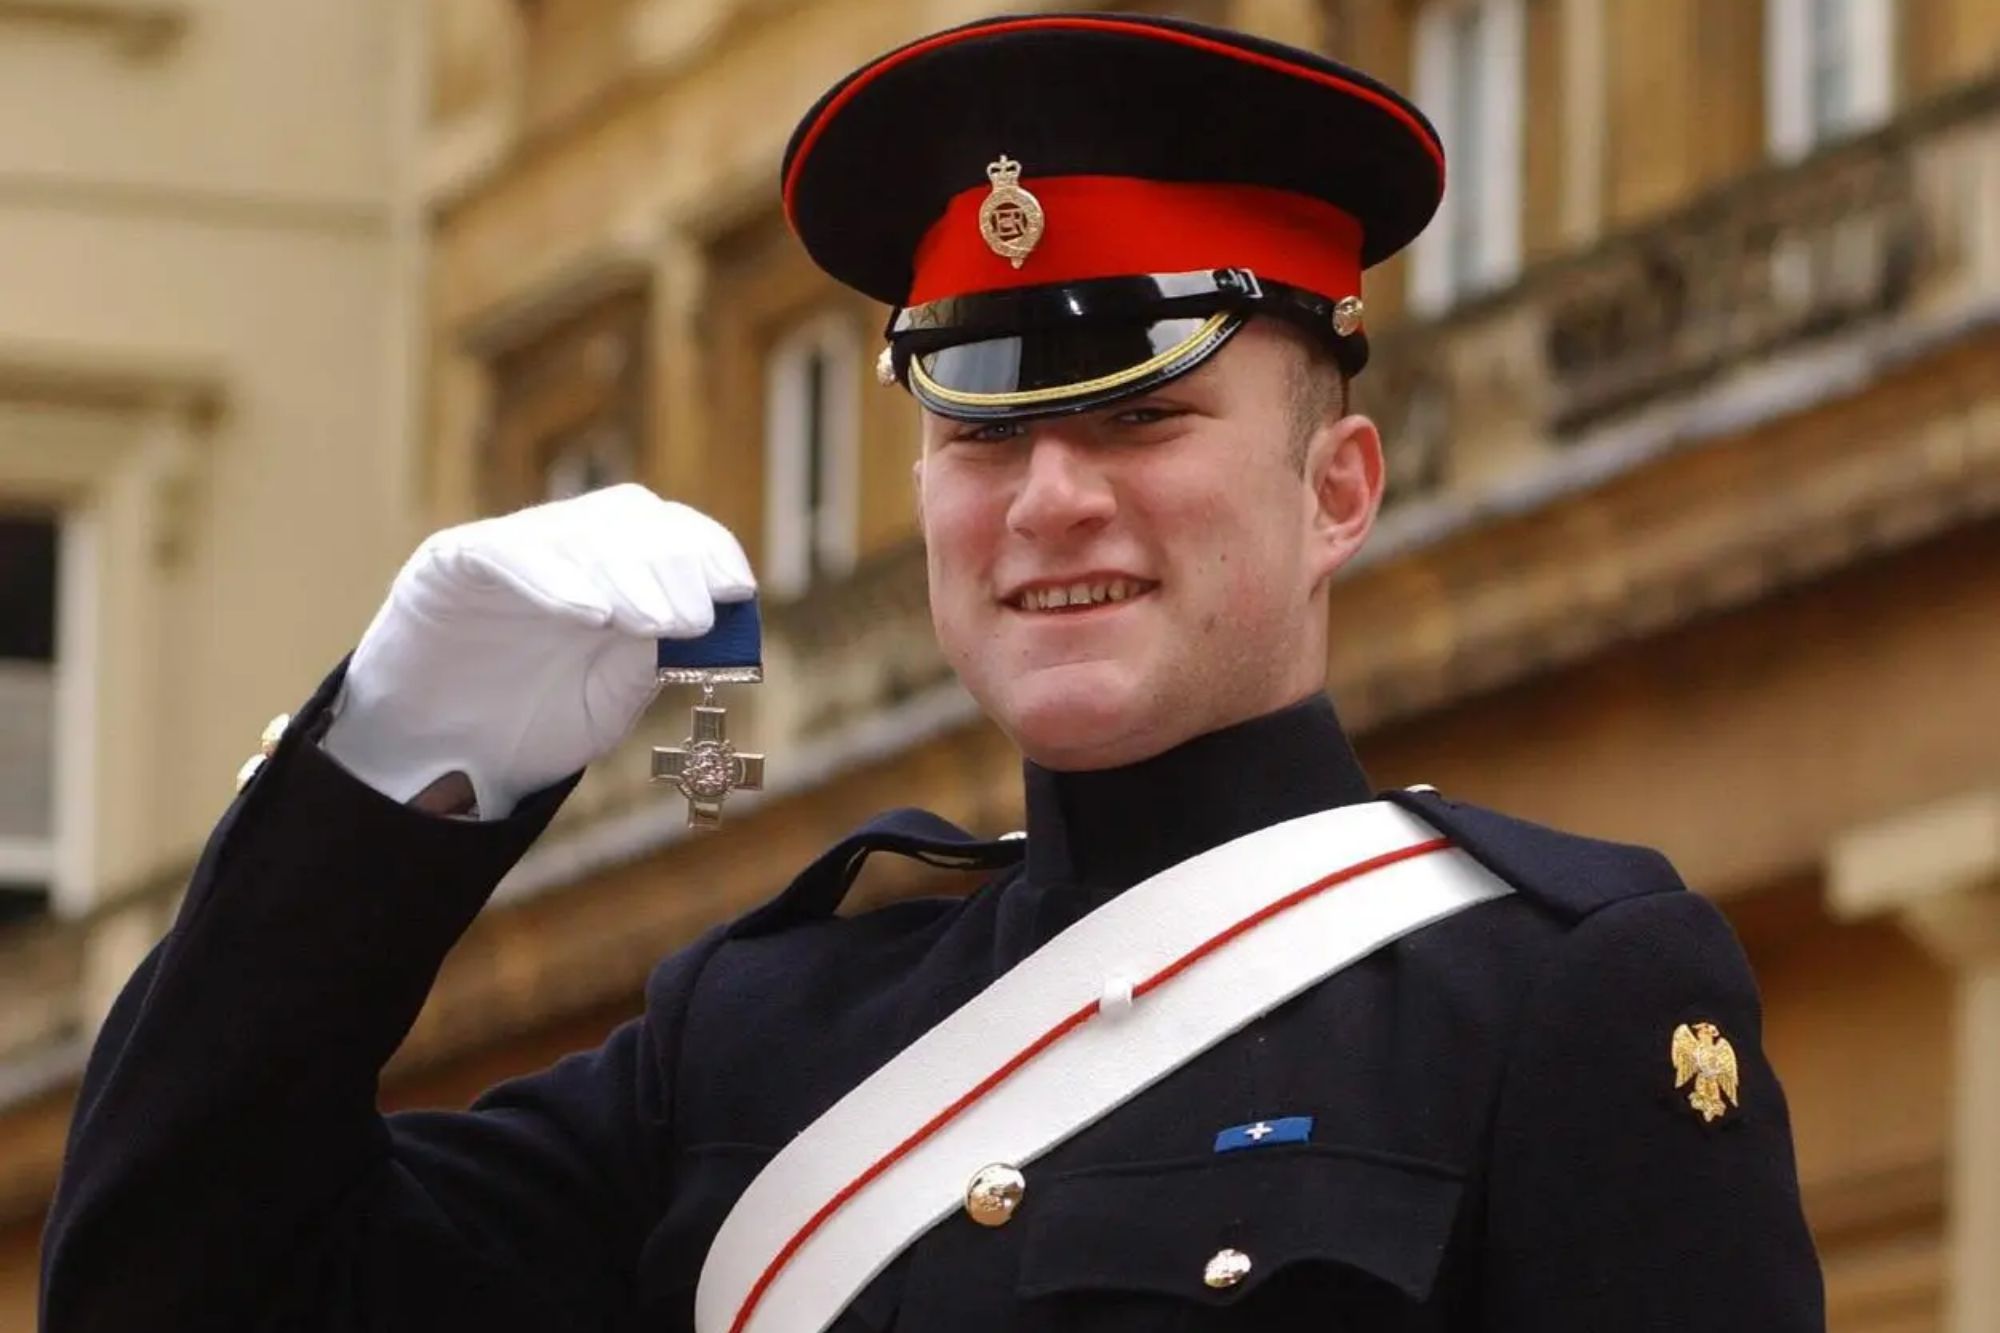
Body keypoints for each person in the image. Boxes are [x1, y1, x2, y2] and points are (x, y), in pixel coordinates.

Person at [41, 12, 1825, 1332]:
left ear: (1336, 489)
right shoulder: (751, 1036)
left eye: (1144, 416)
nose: (1050, 498)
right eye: (984, 434)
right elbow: (176, 1275)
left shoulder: (1549, 995)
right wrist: (389, 784)